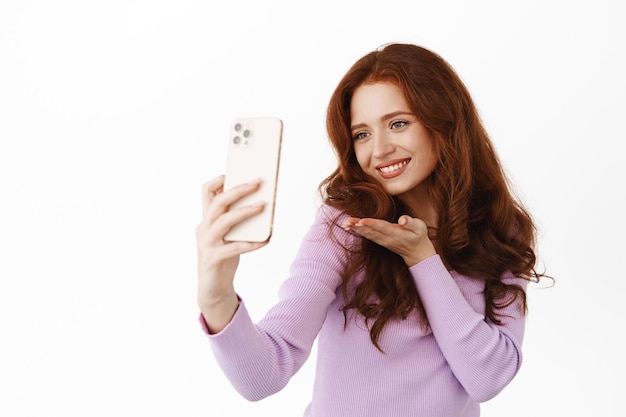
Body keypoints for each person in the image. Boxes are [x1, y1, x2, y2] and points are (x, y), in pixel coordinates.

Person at [195, 43, 547, 417]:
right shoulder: (344, 225)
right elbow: (262, 377)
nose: (378, 150)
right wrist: (216, 297)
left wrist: (422, 258)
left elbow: (487, 378)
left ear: (444, 122)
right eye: (362, 134)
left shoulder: (502, 228)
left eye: (398, 123)